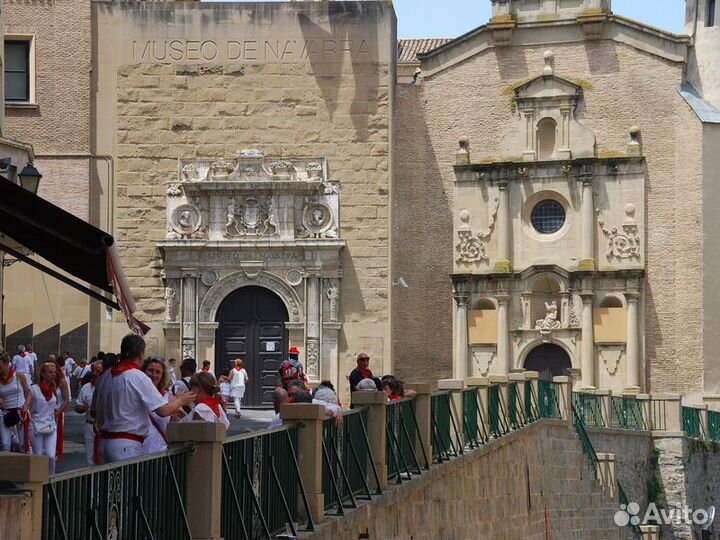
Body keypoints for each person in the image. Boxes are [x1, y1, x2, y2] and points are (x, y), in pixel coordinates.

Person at [94, 335, 195, 463]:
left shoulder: (105, 376)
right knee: (128, 482)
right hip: (126, 445)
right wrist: (181, 400)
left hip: (103, 442)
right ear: (141, 354)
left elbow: (94, 410)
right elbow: (163, 411)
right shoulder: (137, 377)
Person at [29, 362, 61, 473]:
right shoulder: (34, 389)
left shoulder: (54, 390)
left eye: (54, 372)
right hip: (36, 426)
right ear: (43, 374)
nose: (53, 375)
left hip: (50, 425)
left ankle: (50, 482)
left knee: (51, 456)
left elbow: (57, 407)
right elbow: (26, 405)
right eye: (50, 372)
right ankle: (39, 483)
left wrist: (56, 415)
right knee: (38, 456)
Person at [0, 351, 32, 452]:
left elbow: (29, 393)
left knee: (23, 444)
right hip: (6, 414)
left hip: (21, 413)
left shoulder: (18, 375)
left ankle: (26, 465)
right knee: (5, 444)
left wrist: (26, 406)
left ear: (6, 363)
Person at [141, 356, 173, 455]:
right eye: (150, 370)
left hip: (160, 450)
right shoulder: (137, 394)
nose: (153, 375)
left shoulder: (169, 397)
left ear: (162, 375)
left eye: (158, 372)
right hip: (139, 449)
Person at [75, 361, 103, 465]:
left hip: (103, 426)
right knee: (90, 457)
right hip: (89, 425)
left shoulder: (108, 387)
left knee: (102, 456)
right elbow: (77, 406)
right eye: (94, 370)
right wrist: (84, 408)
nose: (95, 373)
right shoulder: (86, 387)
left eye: (98, 371)